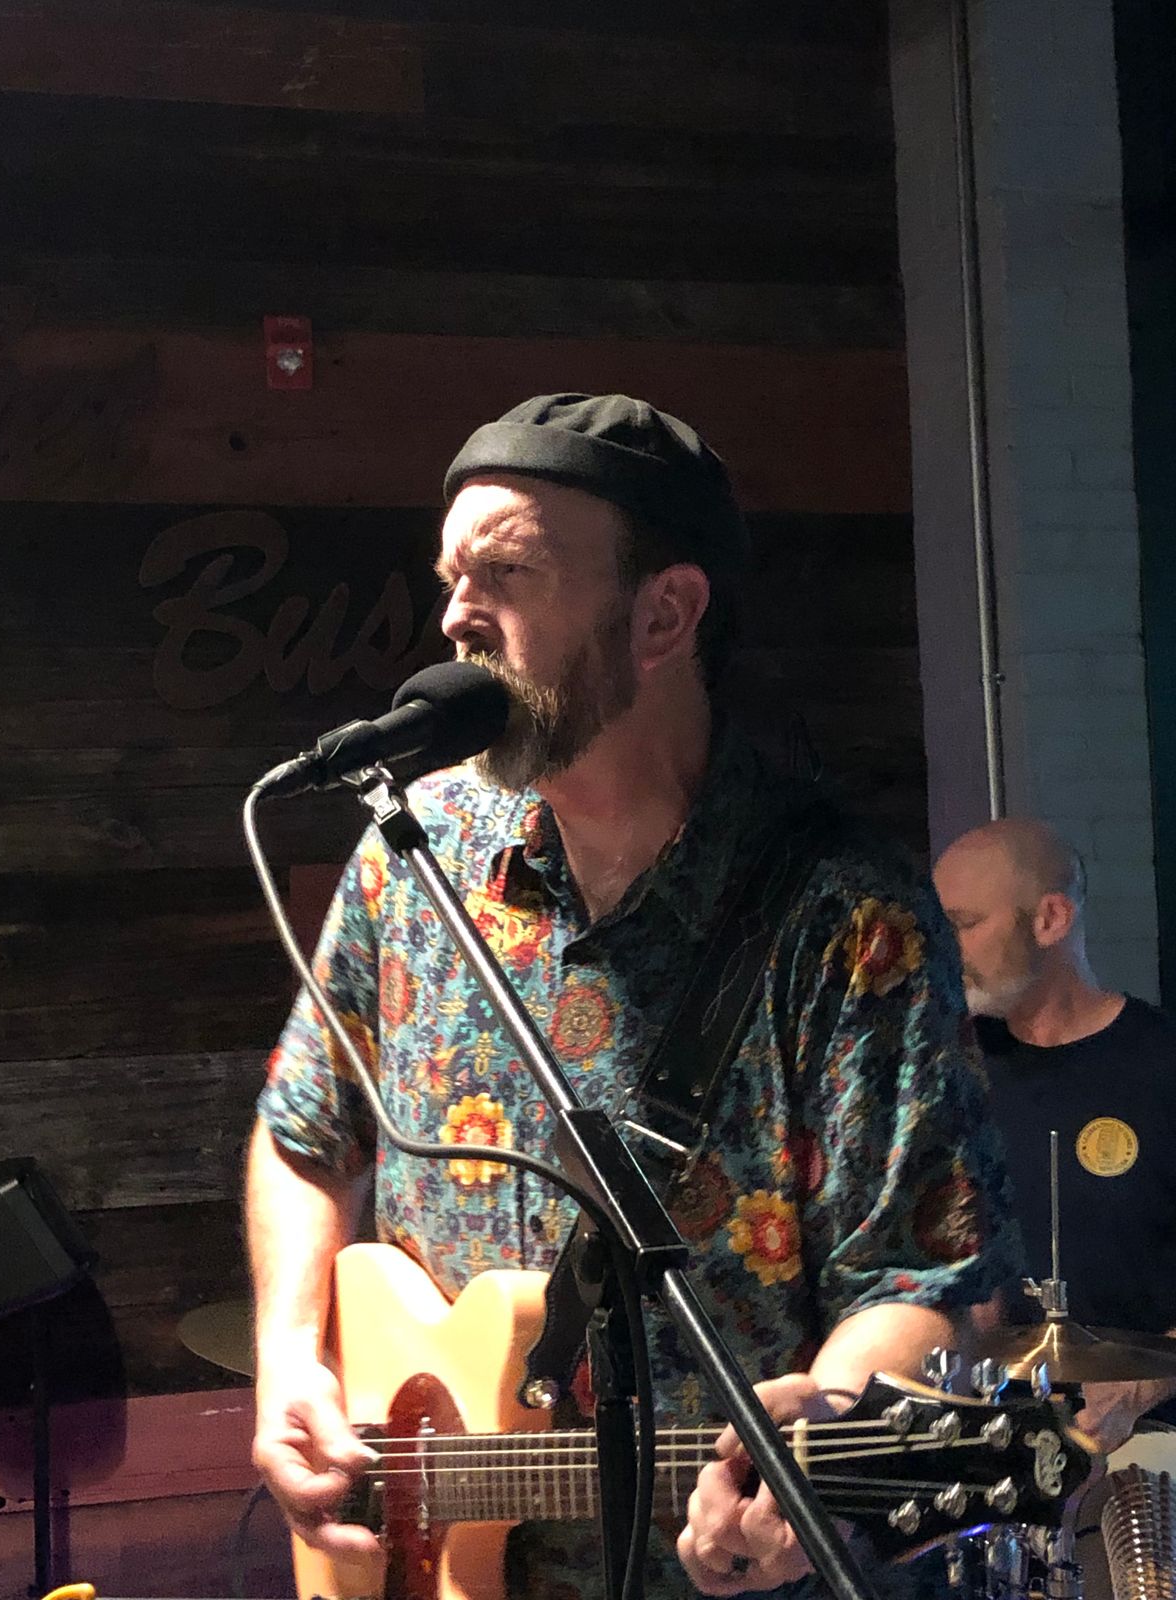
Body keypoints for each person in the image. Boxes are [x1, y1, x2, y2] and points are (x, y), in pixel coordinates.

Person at [248, 393, 1020, 1600]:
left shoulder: (847, 918)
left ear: (663, 614)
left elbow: (929, 1279)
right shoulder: (417, 851)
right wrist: (291, 1356)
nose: (456, 617)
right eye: (452, 578)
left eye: (506, 573)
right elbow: (304, 1132)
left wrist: (818, 1445)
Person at [932, 817, 1176, 1452]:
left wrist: (1138, 1388)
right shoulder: (952, 1074)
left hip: (1151, 1451)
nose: (944, 948)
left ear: (1051, 919)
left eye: (962, 924)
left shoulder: (1162, 1064)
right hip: (997, 1455)